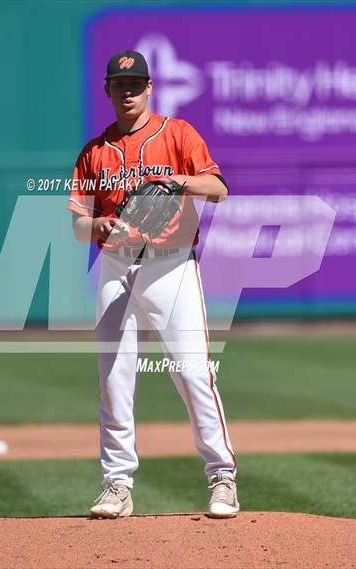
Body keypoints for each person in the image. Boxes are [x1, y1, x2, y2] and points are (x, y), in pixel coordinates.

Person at [69, 50, 238, 519]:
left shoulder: (178, 134)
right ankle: (116, 485)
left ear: (149, 88)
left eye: (135, 84)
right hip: (115, 266)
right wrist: (96, 225)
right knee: (114, 378)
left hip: (171, 266)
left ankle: (222, 476)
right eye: (119, 84)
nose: (127, 91)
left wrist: (178, 180)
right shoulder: (94, 152)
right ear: (108, 90)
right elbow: (78, 225)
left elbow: (219, 189)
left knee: (193, 372)